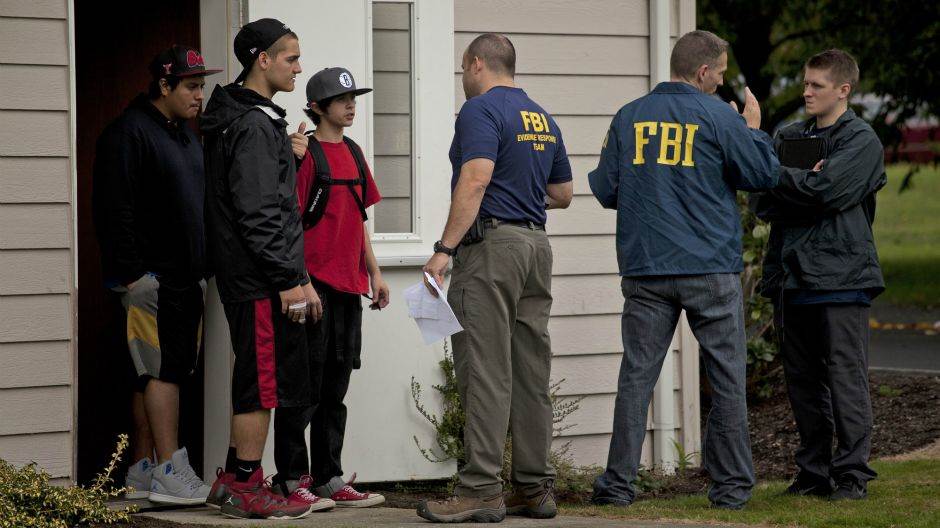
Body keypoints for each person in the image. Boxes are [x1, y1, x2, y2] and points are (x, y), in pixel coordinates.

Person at [588, 30, 779, 510]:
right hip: (709, 267)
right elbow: (763, 174)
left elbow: (606, 189)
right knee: (727, 376)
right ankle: (731, 489)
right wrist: (752, 129)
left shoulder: (628, 117)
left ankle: (618, 486)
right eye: (721, 73)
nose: (722, 81)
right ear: (703, 71)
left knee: (637, 377)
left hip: (646, 267)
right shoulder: (719, 116)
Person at [418, 33, 573, 523]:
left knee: (484, 370)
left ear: (476, 63)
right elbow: (563, 193)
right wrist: (518, 197)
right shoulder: (540, 116)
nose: (463, 77)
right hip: (535, 246)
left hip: (491, 251)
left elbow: (476, 177)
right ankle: (534, 487)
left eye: (463, 68)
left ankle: (481, 489)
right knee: (530, 370)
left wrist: (443, 249)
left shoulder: (480, 110)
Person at [201, 18, 322, 520]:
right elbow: (258, 214)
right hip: (258, 279)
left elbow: (271, 199)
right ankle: (247, 487)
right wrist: (288, 280)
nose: (298, 67)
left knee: (256, 377)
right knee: (261, 383)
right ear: (262, 60)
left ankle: (233, 479)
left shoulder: (253, 120)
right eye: (291, 58)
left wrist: (300, 276)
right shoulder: (251, 124)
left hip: (257, 274)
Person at [752, 49, 886, 501]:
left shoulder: (861, 141)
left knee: (846, 378)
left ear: (843, 90)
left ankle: (852, 475)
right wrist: (799, 182)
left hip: (842, 278)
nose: (806, 92)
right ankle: (813, 474)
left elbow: (828, 192)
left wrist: (788, 181)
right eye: (805, 83)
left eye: (816, 85)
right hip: (791, 277)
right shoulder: (789, 136)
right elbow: (762, 200)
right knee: (803, 383)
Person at [92, 44, 220, 505]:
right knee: (162, 371)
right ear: (164, 85)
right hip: (153, 280)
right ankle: (170, 470)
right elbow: (114, 209)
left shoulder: (183, 134)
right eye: (191, 86)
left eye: (202, 86)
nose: (199, 95)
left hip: (185, 277)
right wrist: (134, 277)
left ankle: (143, 470)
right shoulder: (128, 133)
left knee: (152, 373)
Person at [271, 66, 389, 508]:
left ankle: (328, 477)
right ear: (317, 107)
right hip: (311, 289)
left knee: (335, 389)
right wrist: (301, 282)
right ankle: (290, 479)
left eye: (353, 98)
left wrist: (374, 273)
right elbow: (288, 223)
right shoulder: (307, 156)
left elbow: (358, 219)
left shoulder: (354, 153)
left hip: (348, 288)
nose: (351, 105)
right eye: (342, 100)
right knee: (301, 388)